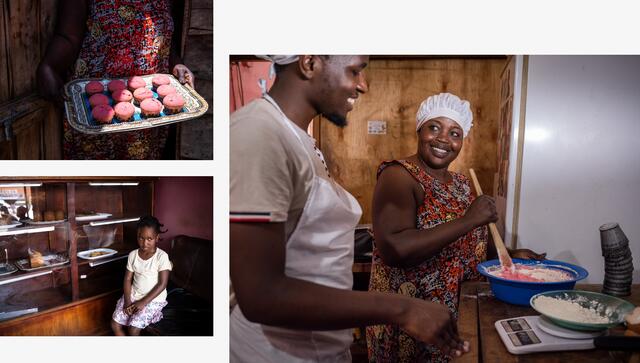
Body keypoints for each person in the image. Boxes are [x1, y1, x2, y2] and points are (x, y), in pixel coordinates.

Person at [230, 56, 469, 362]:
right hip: (270, 353)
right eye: (354, 70)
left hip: (318, 348)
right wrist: (402, 307)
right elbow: (261, 296)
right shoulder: (258, 133)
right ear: (310, 63)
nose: (362, 85)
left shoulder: (298, 139)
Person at [366, 93, 545, 362]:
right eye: (434, 127)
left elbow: (464, 245)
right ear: (419, 129)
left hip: (452, 316)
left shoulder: (460, 183)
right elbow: (395, 249)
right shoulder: (399, 175)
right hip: (410, 319)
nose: (443, 139)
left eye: (455, 133)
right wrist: (470, 219)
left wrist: (508, 253)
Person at [36, 0, 194, 160]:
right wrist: (48, 66)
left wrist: (176, 63)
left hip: (147, 113)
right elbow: (69, 35)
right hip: (96, 116)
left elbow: (164, 33)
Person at [111, 216, 172, 335]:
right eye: (141, 238)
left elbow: (162, 284)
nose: (144, 243)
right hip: (134, 295)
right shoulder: (133, 255)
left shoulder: (161, 257)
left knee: (133, 329)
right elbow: (128, 279)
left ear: (157, 238)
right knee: (115, 324)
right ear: (137, 236)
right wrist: (128, 301)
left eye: (150, 239)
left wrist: (143, 302)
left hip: (152, 299)